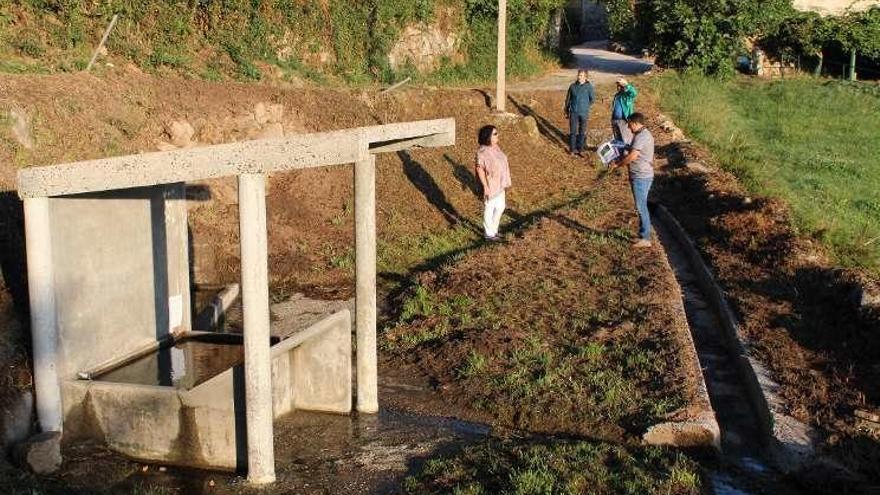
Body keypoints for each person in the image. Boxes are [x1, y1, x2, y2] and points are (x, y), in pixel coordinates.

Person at [611, 112, 654, 248]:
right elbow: (635, 151)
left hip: (640, 176)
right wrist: (625, 147)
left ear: (635, 123)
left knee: (641, 207)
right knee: (642, 205)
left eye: (629, 125)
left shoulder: (641, 136)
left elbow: (633, 156)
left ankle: (645, 238)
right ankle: (644, 234)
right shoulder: (644, 134)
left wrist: (618, 164)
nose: (628, 128)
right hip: (644, 174)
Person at [475, 125, 511, 241]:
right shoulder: (482, 152)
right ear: (488, 137)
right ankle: (489, 234)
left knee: (500, 207)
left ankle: (494, 230)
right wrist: (485, 186)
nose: (497, 135)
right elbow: (479, 169)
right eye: (495, 134)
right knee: (489, 208)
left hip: (499, 184)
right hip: (490, 185)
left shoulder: (496, 147)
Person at [564, 69, 595, 156]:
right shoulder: (572, 86)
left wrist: (585, 106)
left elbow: (592, 99)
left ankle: (581, 149)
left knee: (582, 132)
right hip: (574, 112)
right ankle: (572, 149)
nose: (579, 77)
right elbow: (568, 100)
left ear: (585, 77)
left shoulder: (589, 87)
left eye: (581, 76)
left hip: (584, 113)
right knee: (573, 132)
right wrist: (566, 110)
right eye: (578, 75)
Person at [611, 77, 638, 144]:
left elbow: (634, 93)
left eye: (620, 86)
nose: (618, 87)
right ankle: (620, 153)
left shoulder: (627, 95)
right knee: (618, 139)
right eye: (618, 86)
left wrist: (626, 85)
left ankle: (627, 153)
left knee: (626, 140)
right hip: (615, 120)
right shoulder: (617, 95)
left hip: (624, 121)